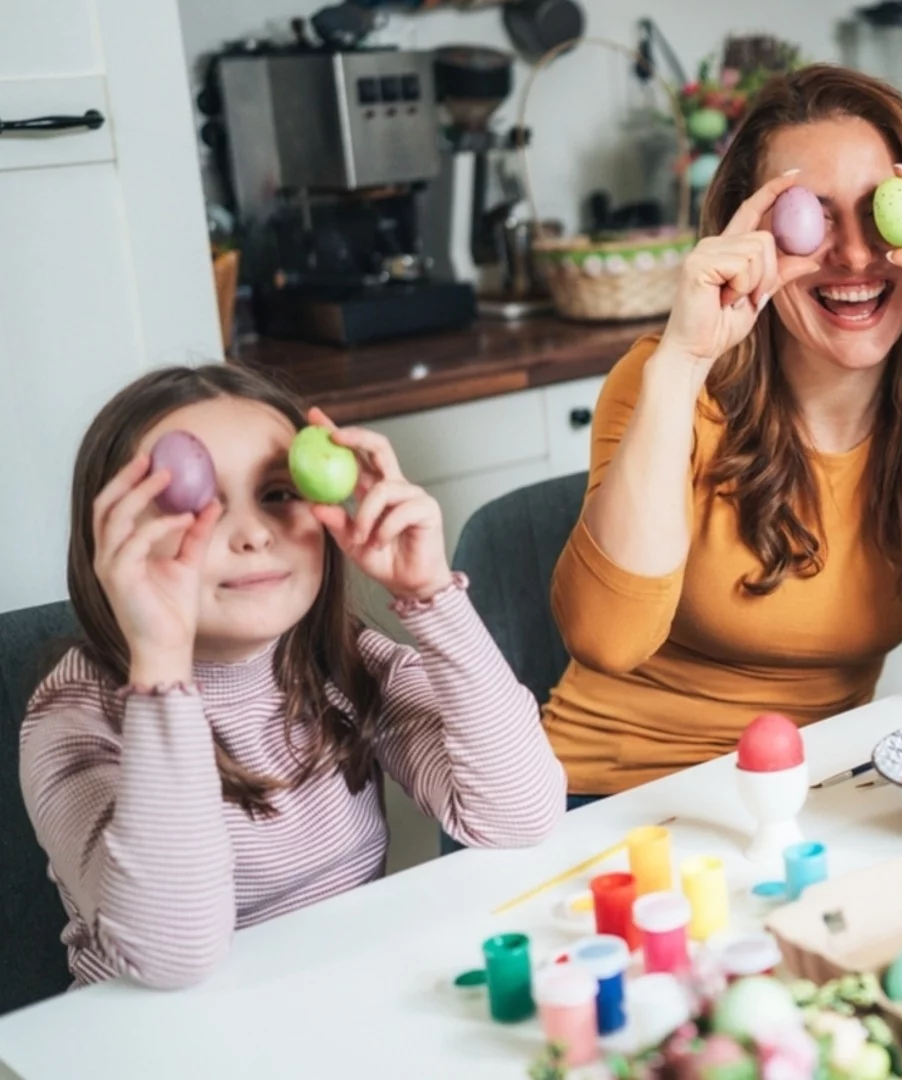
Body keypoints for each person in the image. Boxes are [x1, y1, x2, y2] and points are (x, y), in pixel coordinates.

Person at [543, 66, 902, 798]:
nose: (854, 256)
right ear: (747, 235)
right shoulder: (672, 383)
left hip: (810, 795)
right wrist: (683, 361)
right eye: (812, 218)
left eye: (883, 214)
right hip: (611, 799)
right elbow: (607, 639)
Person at [19, 366, 565, 988]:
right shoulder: (73, 714)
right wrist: (164, 668)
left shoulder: (343, 660)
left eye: (278, 494)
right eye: (191, 506)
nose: (252, 534)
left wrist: (432, 594)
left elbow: (520, 814)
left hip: (331, 1010)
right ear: (113, 542)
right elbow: (172, 958)